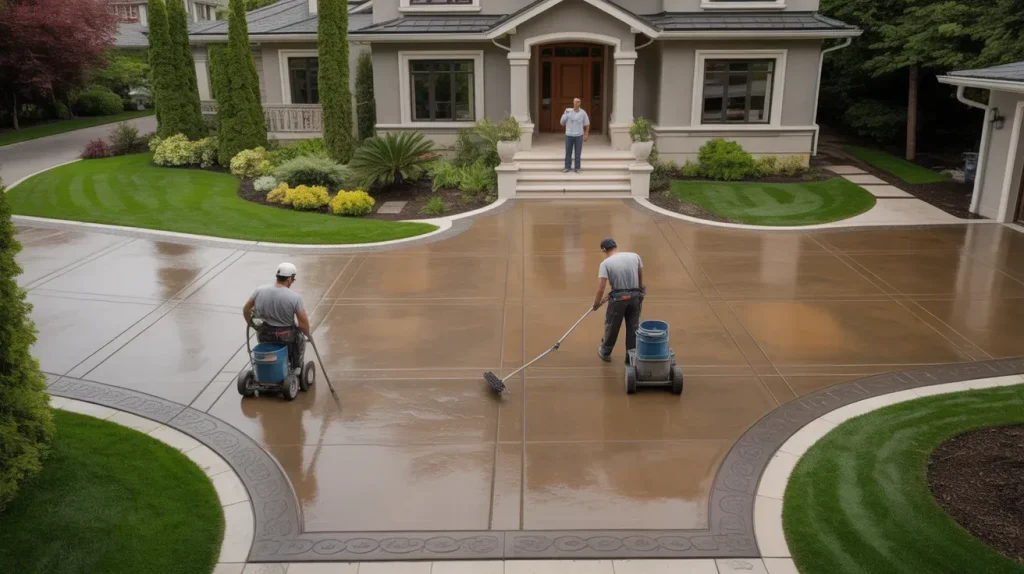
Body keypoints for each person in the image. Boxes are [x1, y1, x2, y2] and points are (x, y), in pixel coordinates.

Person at [242, 262, 312, 375]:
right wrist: (308, 335)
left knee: (269, 350)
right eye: (293, 280)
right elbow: (303, 324)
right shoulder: (295, 298)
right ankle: (296, 368)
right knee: (300, 338)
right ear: (289, 279)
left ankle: (269, 370)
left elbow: (246, 309)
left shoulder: (259, 291)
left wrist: (252, 324)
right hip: (286, 337)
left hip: (264, 334)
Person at [592, 238, 645, 364]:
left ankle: (605, 352)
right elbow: (640, 275)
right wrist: (640, 291)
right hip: (635, 296)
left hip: (618, 299)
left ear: (604, 250)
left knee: (612, 326)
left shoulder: (605, 263)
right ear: (616, 246)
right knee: (633, 327)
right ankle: (631, 356)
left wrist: (596, 303)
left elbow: (601, 289)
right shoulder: (635, 256)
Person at [560, 97, 590, 173]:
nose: (577, 103)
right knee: (568, 152)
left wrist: (586, 135)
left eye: (579, 102)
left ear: (580, 103)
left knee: (578, 152)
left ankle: (577, 168)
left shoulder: (583, 113)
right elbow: (562, 123)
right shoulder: (567, 111)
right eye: (576, 102)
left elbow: (587, 125)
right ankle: (567, 167)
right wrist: (565, 115)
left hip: (579, 135)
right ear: (573, 103)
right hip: (569, 135)